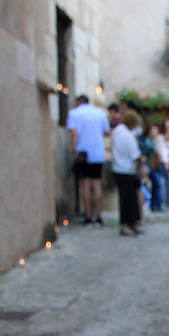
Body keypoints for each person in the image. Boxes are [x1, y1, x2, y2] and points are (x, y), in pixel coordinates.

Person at [66, 95, 110, 228]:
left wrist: (74, 150)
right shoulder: (100, 113)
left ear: (79, 102)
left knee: (86, 186)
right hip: (98, 154)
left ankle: (89, 216)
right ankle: (99, 216)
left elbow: (73, 134)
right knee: (96, 185)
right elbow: (106, 132)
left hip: (83, 154)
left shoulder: (74, 113)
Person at [110, 108, 144, 236]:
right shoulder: (127, 136)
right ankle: (127, 225)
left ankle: (130, 224)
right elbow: (135, 156)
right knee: (128, 201)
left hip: (118, 169)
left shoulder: (116, 132)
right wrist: (141, 162)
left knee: (127, 200)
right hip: (127, 171)